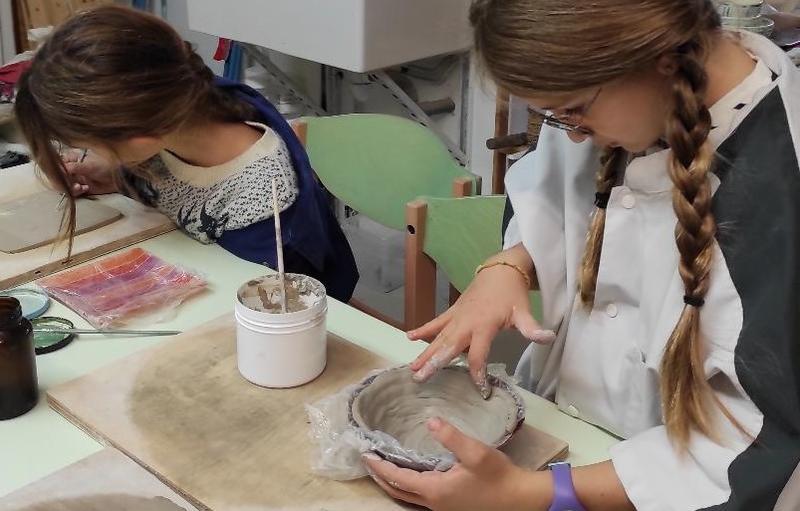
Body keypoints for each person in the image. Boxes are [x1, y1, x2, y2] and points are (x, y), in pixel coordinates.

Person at [364, 1, 800, 510]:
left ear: (658, 56)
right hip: (571, 426)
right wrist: (510, 265)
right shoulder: (613, 98)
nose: (569, 133)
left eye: (572, 111)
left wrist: (541, 494)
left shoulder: (780, 186)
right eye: (552, 115)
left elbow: (763, 441)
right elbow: (550, 193)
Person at [14, 6, 358, 302]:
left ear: (139, 138)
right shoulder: (186, 105)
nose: (86, 152)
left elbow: (265, 308)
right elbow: (178, 187)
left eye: (90, 143)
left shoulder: (261, 207)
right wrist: (116, 176)